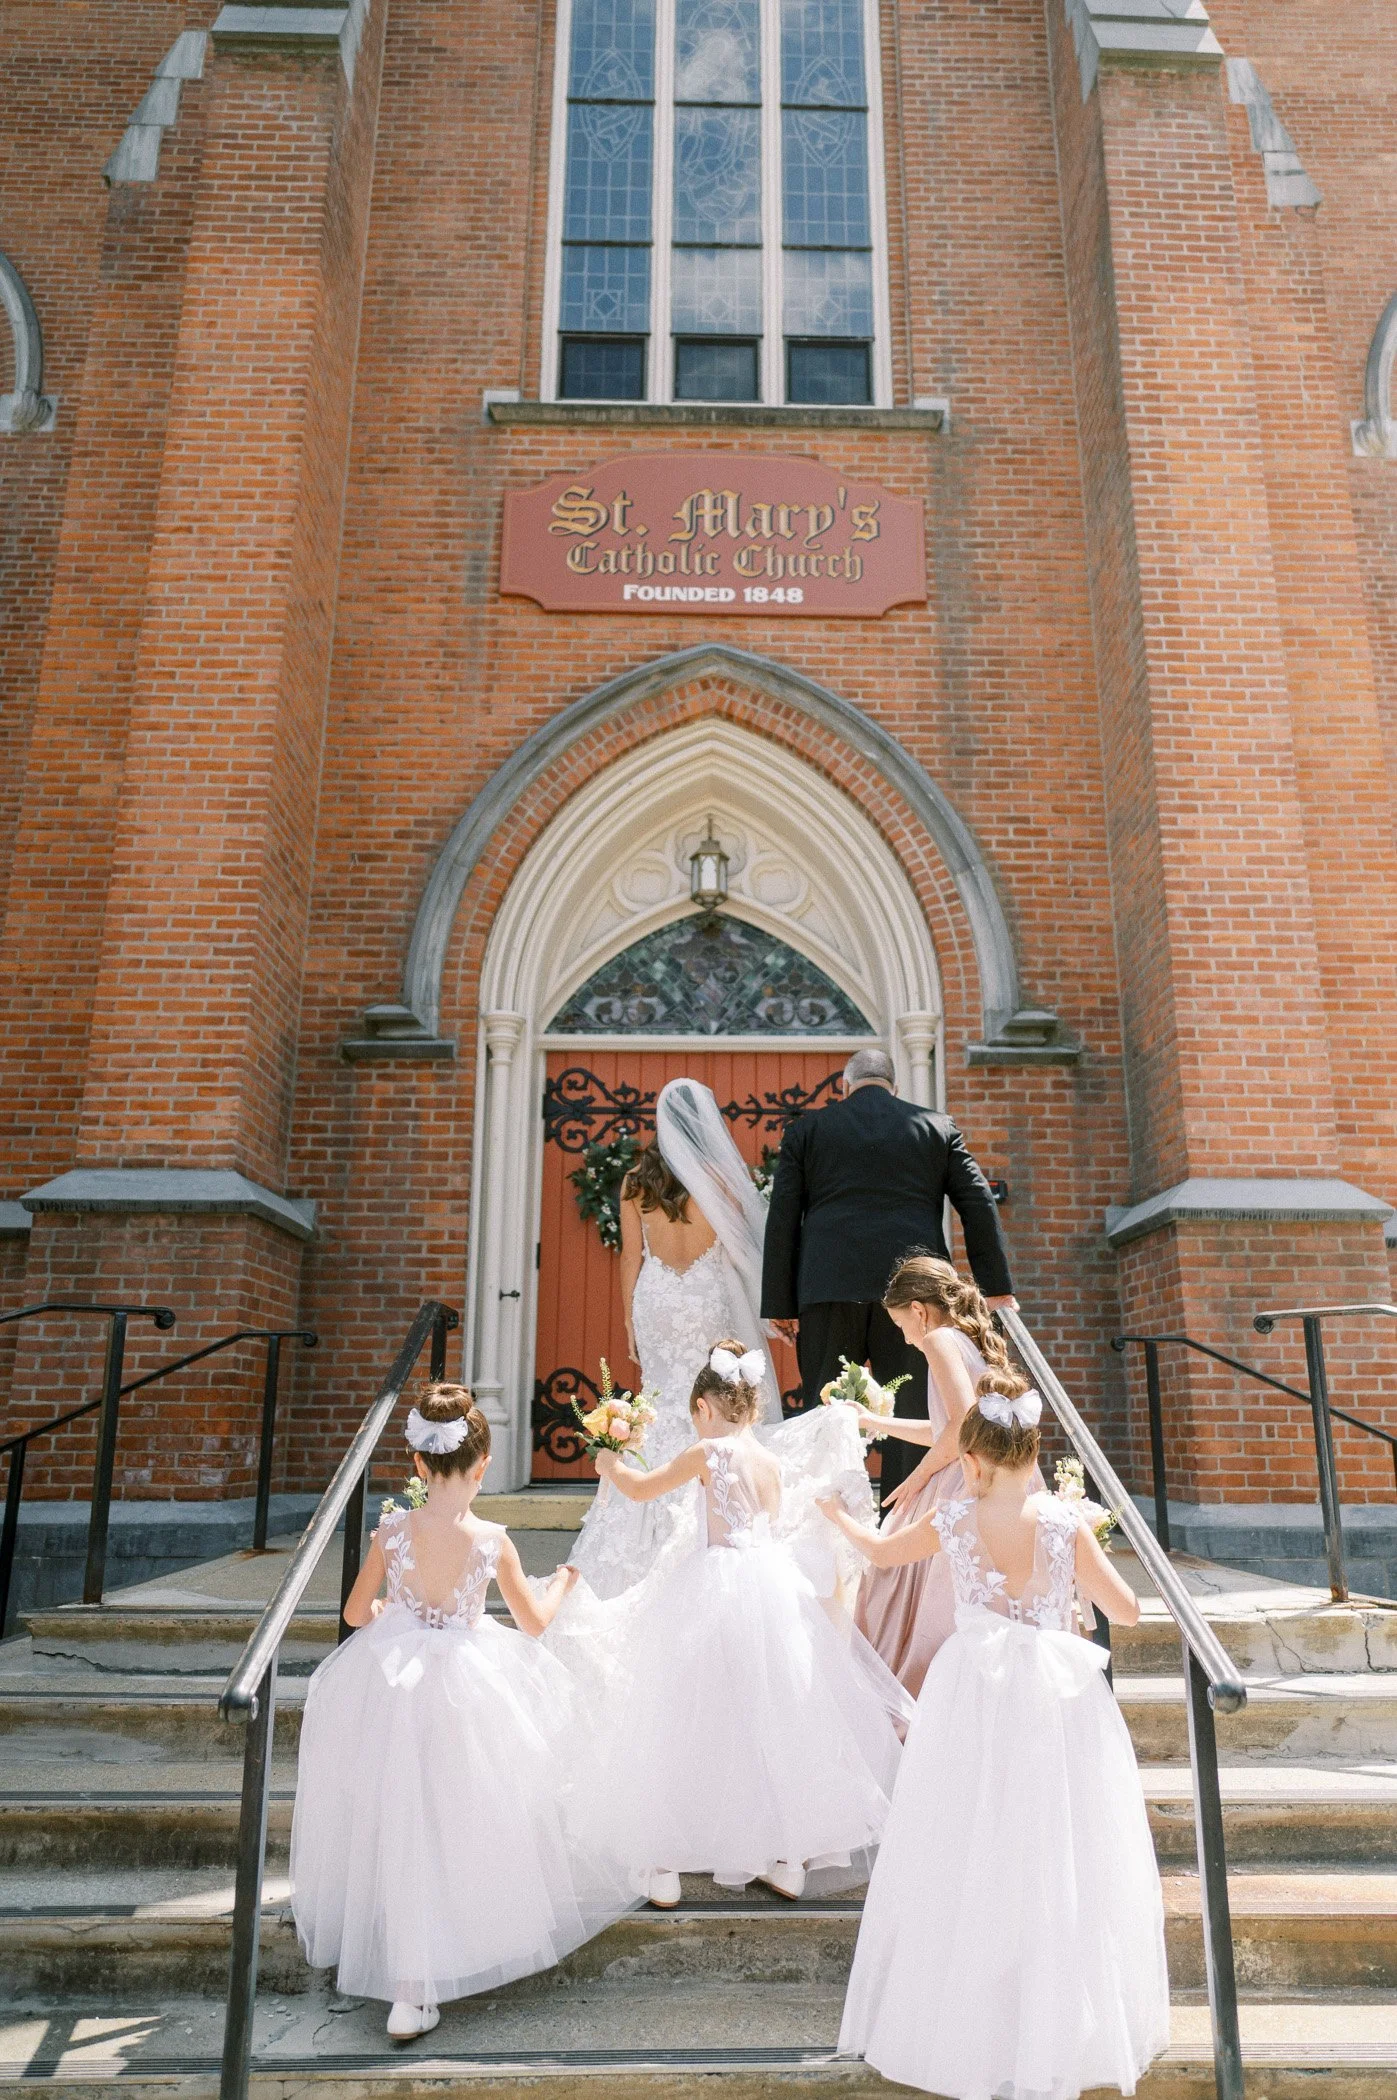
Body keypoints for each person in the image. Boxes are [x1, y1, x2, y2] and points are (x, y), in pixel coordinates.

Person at [822, 1370, 1168, 2100]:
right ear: (1032, 1450)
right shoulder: (1062, 1522)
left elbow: (881, 1556)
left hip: (971, 1691)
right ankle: (1052, 2021)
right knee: (1055, 1844)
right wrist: (1074, 1580)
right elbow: (1130, 1611)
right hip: (1054, 1693)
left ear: (972, 1460)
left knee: (966, 1838)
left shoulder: (953, 1520)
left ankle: (966, 2022)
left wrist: (838, 1518)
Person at [290, 1385, 635, 2042]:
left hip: (393, 1684)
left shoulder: (393, 1533)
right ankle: (446, 1958)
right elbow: (531, 1624)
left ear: (419, 1465)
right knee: (464, 1818)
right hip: (473, 1686)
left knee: (401, 1816)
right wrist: (563, 1582)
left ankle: (408, 1988)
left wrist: (398, 1612)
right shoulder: (492, 1539)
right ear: (480, 1468)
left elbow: (356, 1614)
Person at [587, 1342, 912, 1908]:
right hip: (773, 1586)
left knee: (690, 1715)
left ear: (704, 1408)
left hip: (717, 1585)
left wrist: (609, 1461)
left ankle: (663, 1863)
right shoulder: (768, 1460)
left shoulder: (708, 1452)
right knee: (774, 1716)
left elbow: (642, 1490)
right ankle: (787, 1860)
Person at [759, 1046, 1016, 1499]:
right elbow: (977, 1201)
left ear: (844, 1086)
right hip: (917, 1296)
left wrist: (779, 1303)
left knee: (828, 1409)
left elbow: (783, 1218)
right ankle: (903, 1522)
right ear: (895, 1087)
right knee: (915, 1406)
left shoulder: (809, 1130)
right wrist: (996, 1289)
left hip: (828, 1287)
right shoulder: (937, 1127)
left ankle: (830, 1517)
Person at [568, 1076, 777, 1600]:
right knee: (710, 1395)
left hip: (657, 1298)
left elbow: (631, 1258)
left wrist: (629, 1322)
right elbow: (740, 1251)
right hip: (706, 1294)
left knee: (659, 1396)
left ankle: (643, 1512)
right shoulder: (720, 1180)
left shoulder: (637, 1181)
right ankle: (713, 1504)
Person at [851, 1254, 1034, 1696]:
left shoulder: (939, 1340)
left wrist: (917, 1478)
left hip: (960, 1481)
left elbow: (961, 1426)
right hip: (990, 1475)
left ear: (918, 1310)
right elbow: (945, 1428)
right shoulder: (969, 1341)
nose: (907, 1340)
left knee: (897, 1591)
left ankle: (917, 1697)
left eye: (901, 1327)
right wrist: (876, 1423)